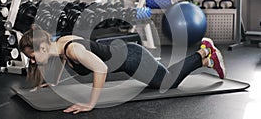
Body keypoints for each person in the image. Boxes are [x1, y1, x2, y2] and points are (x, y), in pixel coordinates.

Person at [19, 24, 225, 114]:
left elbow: (101, 69)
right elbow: (62, 58)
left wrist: (91, 104)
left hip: (133, 59)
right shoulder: (59, 44)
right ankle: (206, 60)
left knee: (167, 82)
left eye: (32, 57)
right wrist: (55, 81)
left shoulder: (73, 49)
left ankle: (204, 52)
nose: (34, 62)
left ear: (43, 47)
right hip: (127, 53)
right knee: (164, 77)